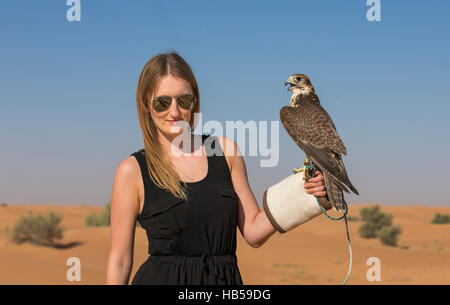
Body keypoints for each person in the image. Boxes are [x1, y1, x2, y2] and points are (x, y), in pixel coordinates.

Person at [105, 52, 329, 285]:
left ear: (195, 102)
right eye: (162, 103)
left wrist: (305, 190)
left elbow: (253, 231)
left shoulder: (224, 151)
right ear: (146, 105)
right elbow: (119, 261)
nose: (174, 112)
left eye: (183, 101)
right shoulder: (131, 171)